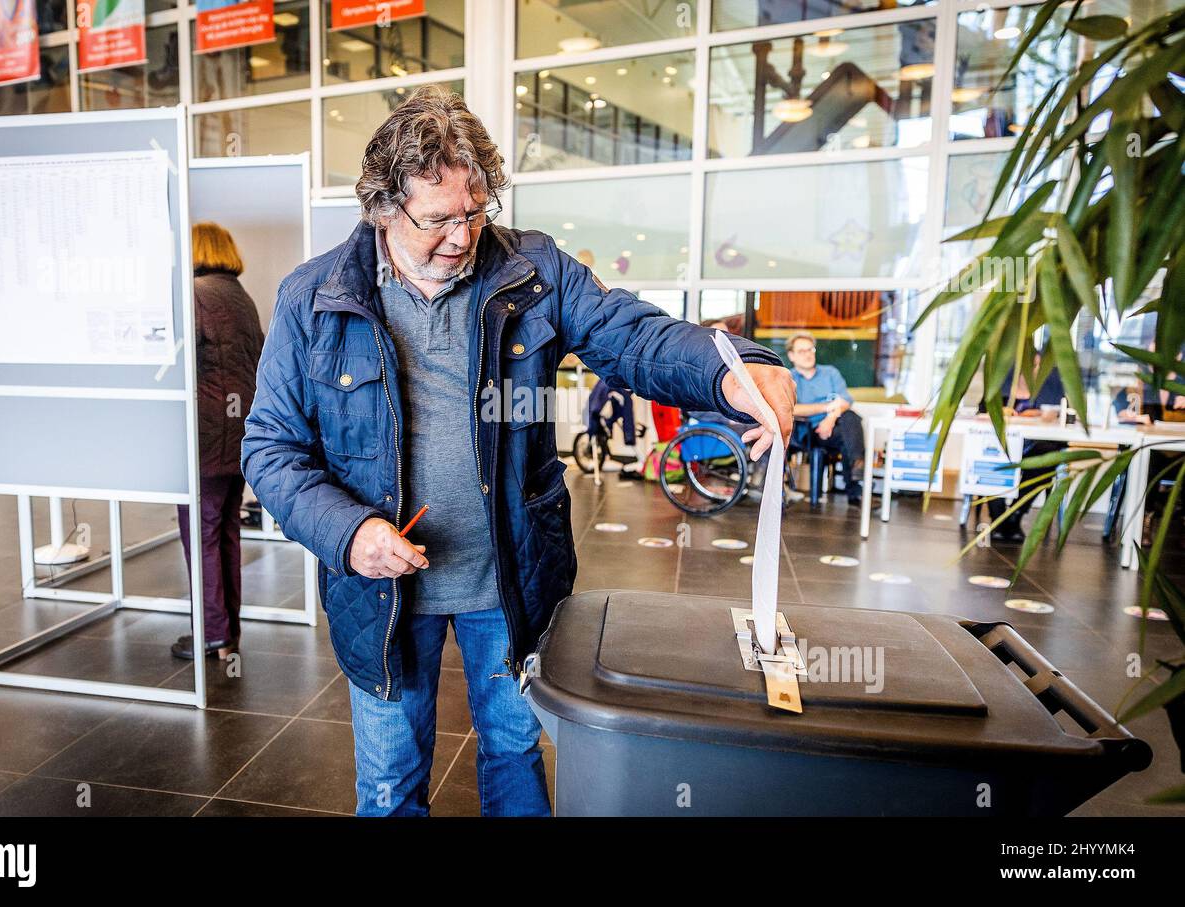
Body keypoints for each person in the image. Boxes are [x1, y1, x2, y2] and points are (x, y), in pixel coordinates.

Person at [241, 86, 795, 817]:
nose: (462, 236)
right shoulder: (311, 297)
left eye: (476, 211)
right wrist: (348, 534)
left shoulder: (531, 270)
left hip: (509, 580)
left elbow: (631, 335)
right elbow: (271, 448)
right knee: (389, 784)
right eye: (438, 219)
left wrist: (732, 366)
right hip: (380, 594)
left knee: (513, 754)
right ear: (381, 209)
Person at [171, 223, 265, 660]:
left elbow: (178, 366)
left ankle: (211, 632)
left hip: (206, 439)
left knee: (201, 534)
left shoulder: (193, 294)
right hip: (239, 434)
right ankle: (227, 634)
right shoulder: (239, 298)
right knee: (225, 530)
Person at [984, 363, 1067, 544]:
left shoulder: (1050, 388)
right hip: (1002, 442)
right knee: (987, 456)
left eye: (1037, 364)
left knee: (1046, 457)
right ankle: (998, 516)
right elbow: (983, 410)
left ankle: (1015, 514)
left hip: (1036, 444)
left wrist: (1045, 416)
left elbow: (1063, 413)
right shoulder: (1000, 385)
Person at [784, 331, 869, 506]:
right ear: (791, 355)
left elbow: (845, 401)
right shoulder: (788, 378)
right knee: (850, 427)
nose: (808, 354)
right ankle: (855, 483)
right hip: (807, 432)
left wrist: (830, 418)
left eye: (810, 349)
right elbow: (792, 409)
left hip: (834, 427)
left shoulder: (830, 373)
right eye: (802, 351)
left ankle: (856, 475)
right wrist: (825, 407)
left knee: (850, 418)